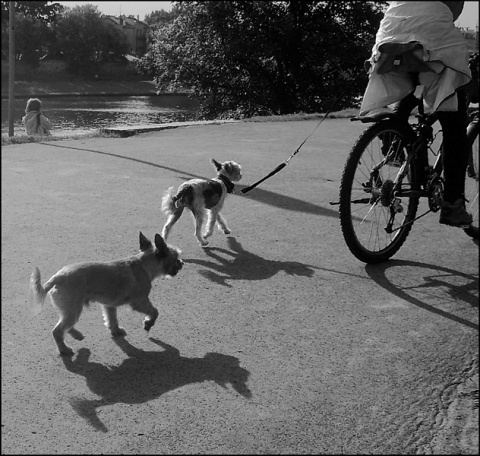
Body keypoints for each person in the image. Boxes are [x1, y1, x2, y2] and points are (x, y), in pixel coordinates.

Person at [360, 1, 473, 227]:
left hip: (389, 33)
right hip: (430, 34)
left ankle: (394, 141)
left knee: (411, 78)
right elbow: (453, 12)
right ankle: (453, 205)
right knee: (454, 126)